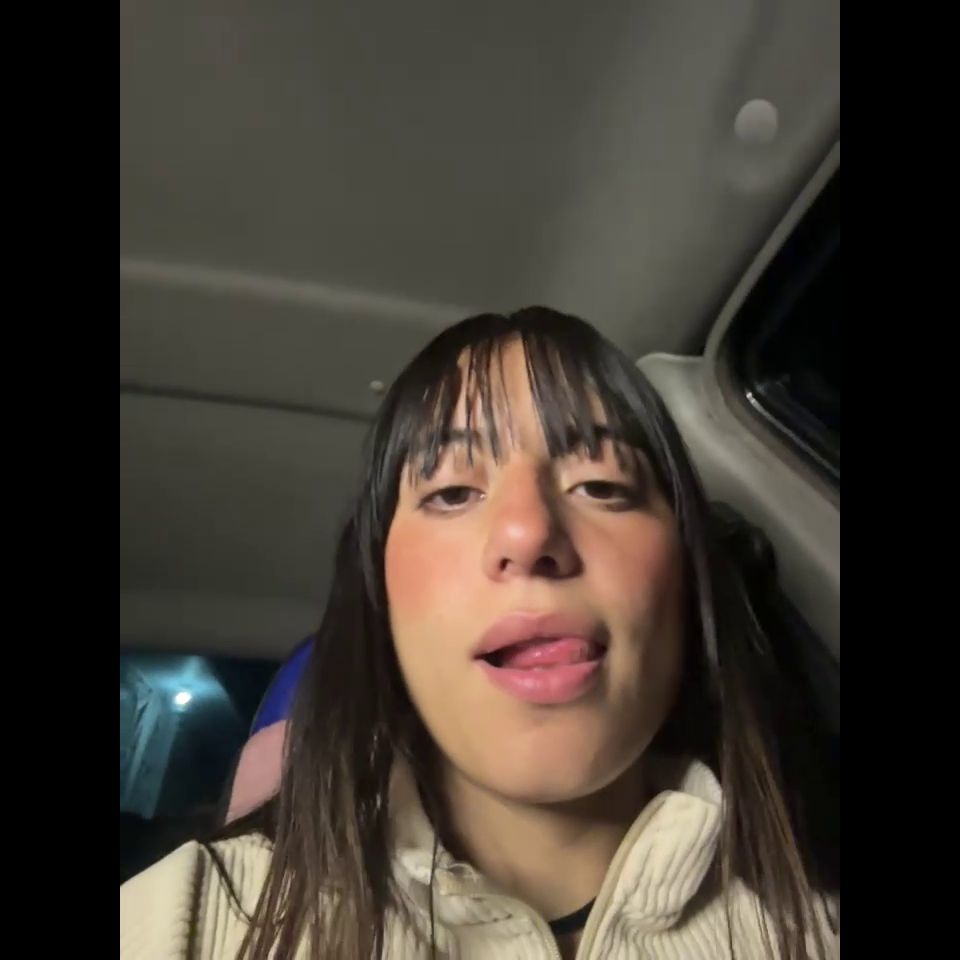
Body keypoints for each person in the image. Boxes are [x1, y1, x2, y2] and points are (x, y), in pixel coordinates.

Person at [120, 308, 839, 959]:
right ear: (382, 600)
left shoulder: (816, 930)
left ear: (685, 582)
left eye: (602, 486)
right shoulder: (187, 921)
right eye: (452, 493)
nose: (528, 534)